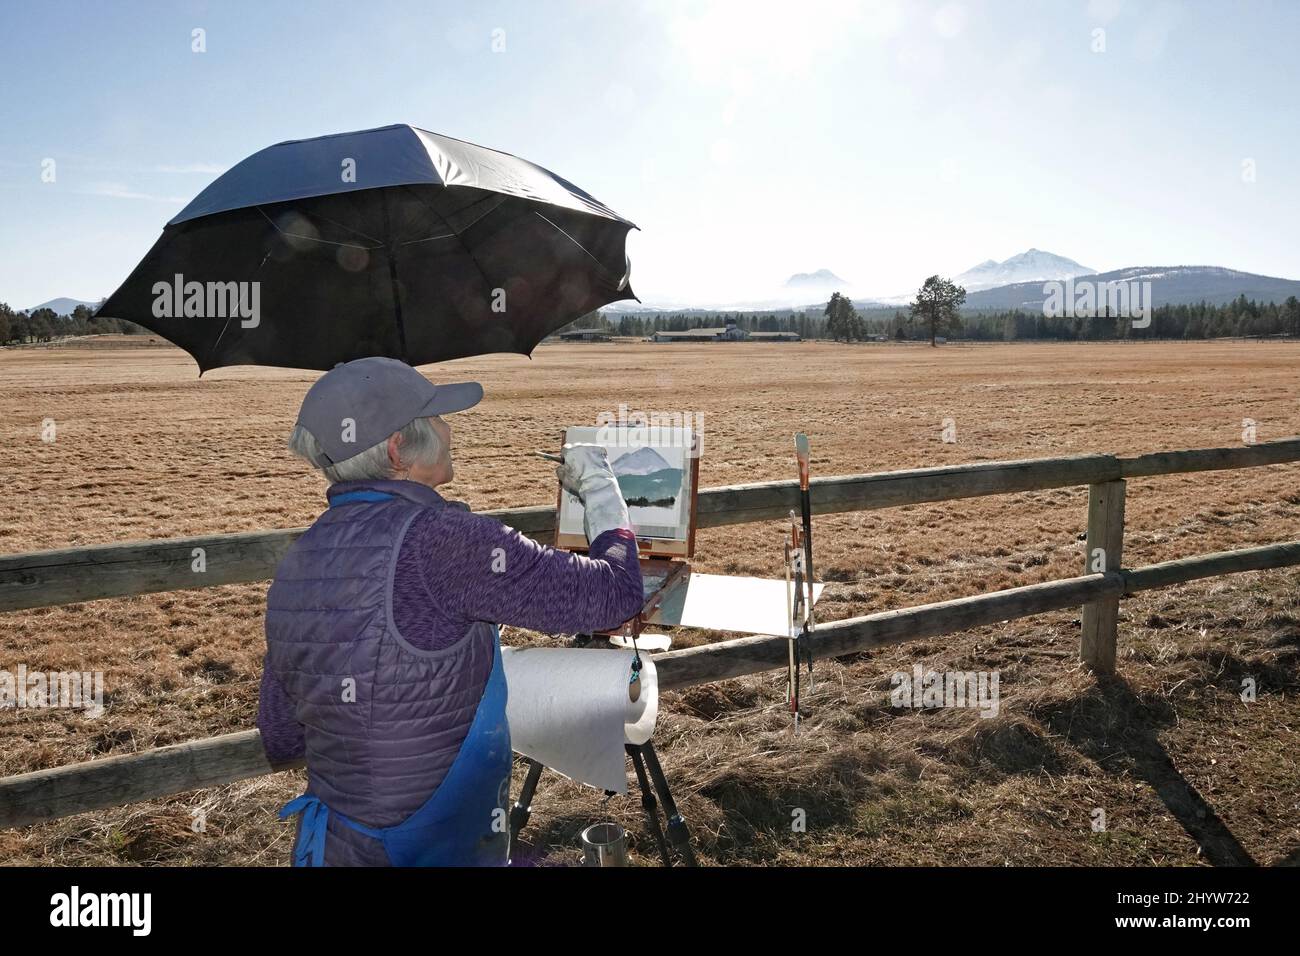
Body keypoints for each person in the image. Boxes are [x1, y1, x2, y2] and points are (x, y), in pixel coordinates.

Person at [258, 356, 643, 866]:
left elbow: (282, 734)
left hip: (335, 849)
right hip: (433, 846)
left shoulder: (300, 560)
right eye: (438, 418)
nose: (448, 430)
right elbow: (613, 592)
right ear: (400, 450)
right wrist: (599, 489)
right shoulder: (446, 542)